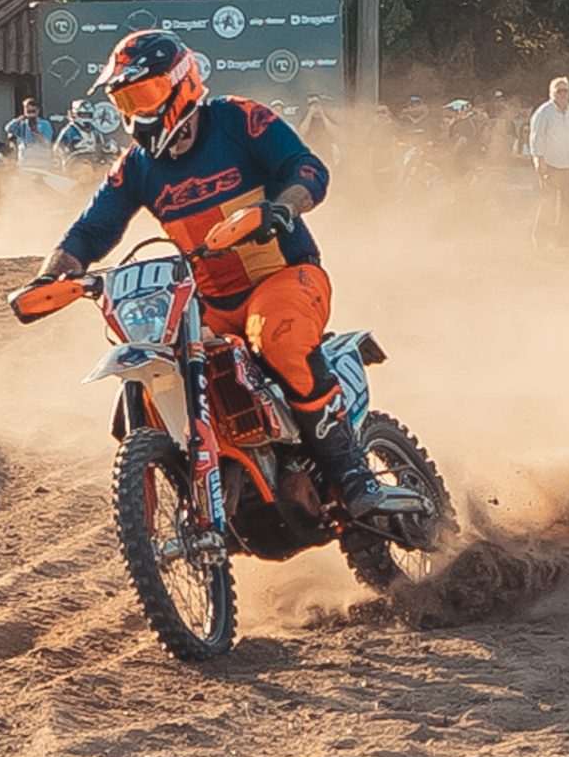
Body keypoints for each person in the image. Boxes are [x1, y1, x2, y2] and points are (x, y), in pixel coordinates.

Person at [26, 31, 396, 536]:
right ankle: (188, 498)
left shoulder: (238, 119)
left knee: (280, 339)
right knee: (152, 374)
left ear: (182, 84)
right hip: (207, 301)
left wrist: (282, 207)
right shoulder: (136, 165)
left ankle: (351, 471)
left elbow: (308, 168)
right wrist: (52, 274)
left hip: (284, 276)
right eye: (126, 100)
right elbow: (91, 230)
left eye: (146, 93)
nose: (137, 110)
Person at [527, 74, 569, 245]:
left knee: (567, 203)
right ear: (552, 93)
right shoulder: (544, 112)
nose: (563, 94)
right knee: (548, 202)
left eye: (566, 91)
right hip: (549, 165)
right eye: (559, 91)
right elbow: (536, 138)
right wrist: (539, 161)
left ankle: (562, 238)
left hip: (566, 165)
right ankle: (539, 237)